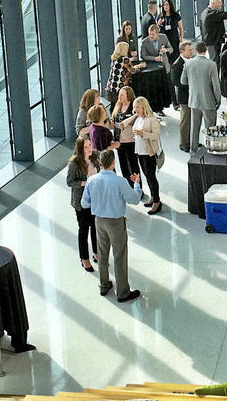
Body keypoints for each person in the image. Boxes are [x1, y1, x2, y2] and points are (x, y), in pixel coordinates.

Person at [82, 150, 142, 302]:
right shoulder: (119, 181)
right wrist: (137, 185)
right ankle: (122, 293)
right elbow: (134, 200)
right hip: (115, 222)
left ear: (100, 163)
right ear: (113, 163)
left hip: (99, 221)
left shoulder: (91, 180)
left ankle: (104, 285)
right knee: (119, 255)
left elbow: (84, 202)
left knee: (102, 253)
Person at [65, 136, 98, 272]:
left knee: (95, 227)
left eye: (90, 145)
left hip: (95, 200)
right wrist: (83, 183)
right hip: (81, 202)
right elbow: (69, 182)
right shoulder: (74, 164)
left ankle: (96, 252)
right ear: (80, 149)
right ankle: (84, 258)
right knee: (84, 229)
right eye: (85, 147)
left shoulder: (95, 157)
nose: (89, 148)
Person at [180, 41, 220, 152]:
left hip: (194, 101)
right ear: (206, 50)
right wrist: (218, 100)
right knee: (210, 128)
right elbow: (216, 86)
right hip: (209, 101)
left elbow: (183, 81)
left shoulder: (188, 63)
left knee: (194, 127)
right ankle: (210, 149)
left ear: (196, 50)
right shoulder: (211, 65)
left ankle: (193, 151)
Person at [131, 97, 163, 214]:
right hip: (140, 151)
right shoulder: (138, 118)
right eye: (134, 107)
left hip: (149, 153)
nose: (135, 110)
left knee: (151, 176)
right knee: (146, 175)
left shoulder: (152, 119)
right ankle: (153, 197)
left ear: (144, 107)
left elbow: (156, 136)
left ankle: (157, 202)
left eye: (137, 107)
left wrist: (142, 133)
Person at [110, 86, 138, 178]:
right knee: (123, 166)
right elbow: (113, 118)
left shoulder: (133, 107)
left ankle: (137, 187)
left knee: (133, 165)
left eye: (122, 95)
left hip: (130, 140)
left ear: (128, 96)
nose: (119, 96)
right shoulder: (118, 105)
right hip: (119, 141)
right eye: (119, 94)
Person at [172, 41, 194, 151]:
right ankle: (184, 143)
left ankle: (192, 141)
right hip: (184, 97)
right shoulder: (177, 64)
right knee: (185, 121)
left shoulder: (191, 61)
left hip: (192, 95)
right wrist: (188, 84)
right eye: (189, 50)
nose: (192, 52)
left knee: (192, 120)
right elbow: (175, 81)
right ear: (182, 51)